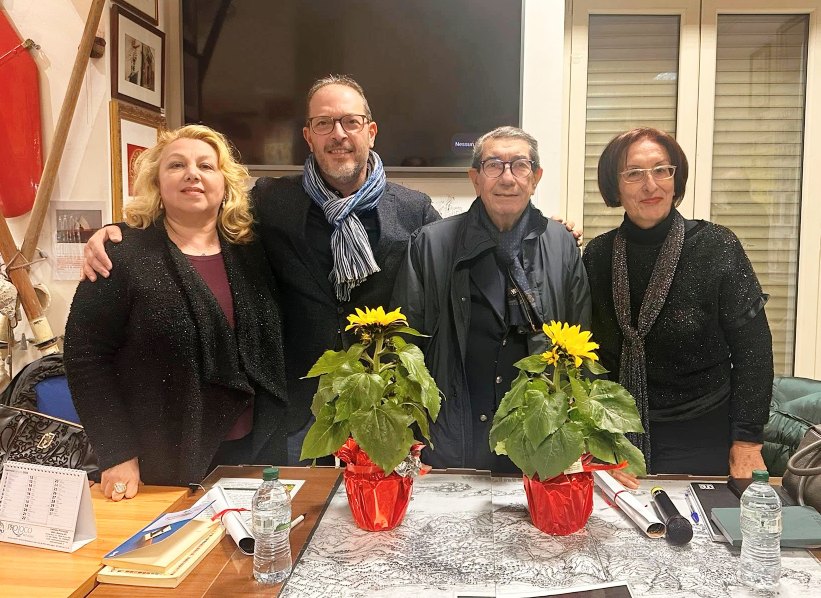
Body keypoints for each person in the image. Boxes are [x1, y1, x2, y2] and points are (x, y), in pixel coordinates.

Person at [81, 75, 440, 464]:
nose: (338, 134)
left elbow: (447, 269)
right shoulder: (271, 200)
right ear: (308, 136)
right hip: (296, 409)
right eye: (324, 123)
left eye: (350, 122)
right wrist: (118, 233)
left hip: (381, 403)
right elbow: (199, 212)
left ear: (370, 132)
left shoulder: (414, 210)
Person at [64, 125, 287, 499]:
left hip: (253, 452)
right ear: (157, 182)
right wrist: (117, 452)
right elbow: (85, 356)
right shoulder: (121, 254)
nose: (192, 174)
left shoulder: (251, 251)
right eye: (177, 165)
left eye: (206, 166)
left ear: (225, 184)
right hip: (161, 461)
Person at [582, 127, 774, 488]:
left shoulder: (716, 246)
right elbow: (592, 356)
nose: (650, 184)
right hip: (618, 435)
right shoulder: (598, 255)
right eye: (634, 173)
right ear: (615, 186)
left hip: (702, 434)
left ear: (676, 178)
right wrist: (600, 437)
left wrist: (747, 440)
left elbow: (754, 349)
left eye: (661, 170)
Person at [392, 126, 591, 471]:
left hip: (537, 441)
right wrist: (408, 442)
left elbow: (581, 344)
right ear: (475, 178)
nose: (507, 178)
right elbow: (405, 349)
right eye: (494, 165)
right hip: (452, 439)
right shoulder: (429, 244)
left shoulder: (562, 245)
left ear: (536, 178)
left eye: (520, 165)